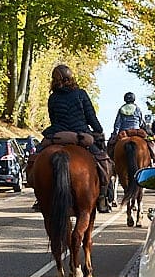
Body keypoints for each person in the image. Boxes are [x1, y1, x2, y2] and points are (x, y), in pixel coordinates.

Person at [39, 63, 112, 210]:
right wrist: (98, 130)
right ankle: (103, 196)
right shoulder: (81, 94)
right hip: (80, 134)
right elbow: (91, 117)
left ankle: (39, 197)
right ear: (71, 78)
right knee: (104, 162)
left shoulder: (52, 98)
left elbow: (53, 119)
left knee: (36, 158)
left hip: (58, 134)